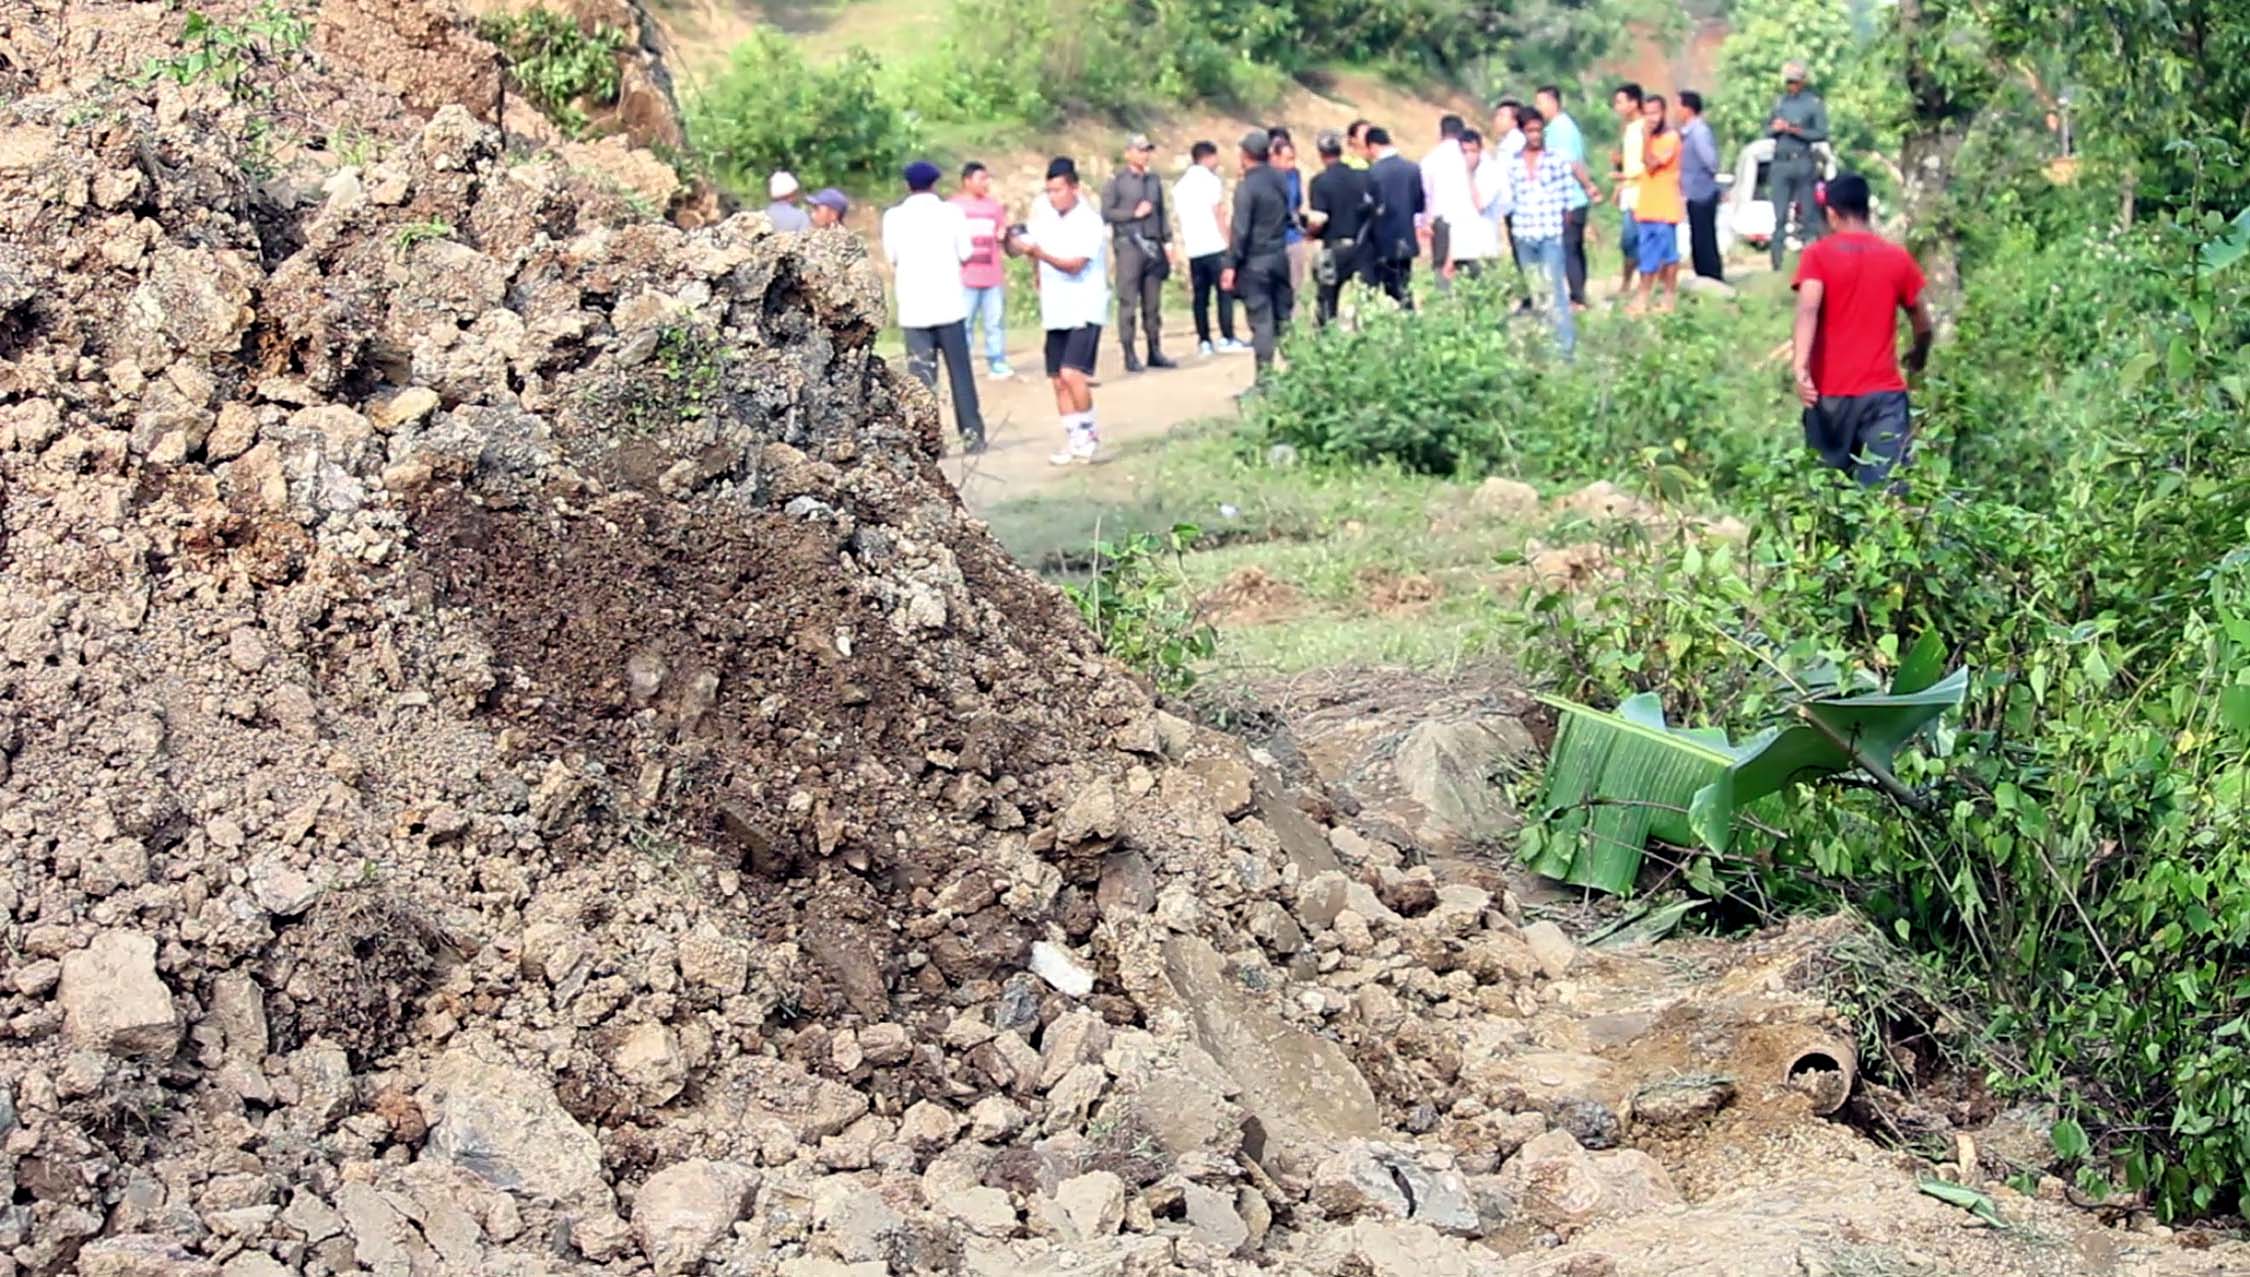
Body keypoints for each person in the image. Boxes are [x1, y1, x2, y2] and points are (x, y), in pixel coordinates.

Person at [1792, 174, 1934, 486]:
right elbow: (1922, 322)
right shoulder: (1898, 259)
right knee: (1886, 498)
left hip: (1828, 396)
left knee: (1825, 500)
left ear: (1831, 212)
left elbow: (1808, 308)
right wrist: (1918, 355)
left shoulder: (1817, 256)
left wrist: (1800, 366)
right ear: (1866, 208)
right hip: (1883, 397)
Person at [1009, 157, 1110, 465]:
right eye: (1049, 191)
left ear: (1074, 188)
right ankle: (1074, 438)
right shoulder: (1045, 218)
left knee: (1072, 373)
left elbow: (1075, 264)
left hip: (1084, 307)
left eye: (1058, 190)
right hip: (1055, 309)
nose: (1053, 197)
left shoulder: (1089, 222)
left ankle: (1089, 432)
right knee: (1056, 378)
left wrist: (1038, 254)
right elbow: (1018, 248)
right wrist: (1014, 242)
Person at [882, 161, 986, 453]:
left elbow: (892, 257)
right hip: (949, 304)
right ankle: (972, 435)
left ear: (907, 185)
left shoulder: (894, 217)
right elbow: (966, 253)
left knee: (922, 381)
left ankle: (929, 442)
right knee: (960, 375)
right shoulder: (951, 213)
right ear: (934, 184)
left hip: (915, 308)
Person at [1507, 108, 1602, 358]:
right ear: (1522, 132)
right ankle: (1544, 347)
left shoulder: (1555, 159)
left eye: (1539, 130)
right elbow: (1511, 198)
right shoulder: (1513, 162)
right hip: (1524, 234)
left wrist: (1565, 226)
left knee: (1556, 293)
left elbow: (1567, 201)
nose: (1535, 136)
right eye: (1530, 131)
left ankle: (1565, 351)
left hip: (1549, 234)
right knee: (1538, 293)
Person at [1221, 129, 1294, 380]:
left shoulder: (1247, 186)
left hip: (1255, 261)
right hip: (1279, 256)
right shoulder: (1280, 180)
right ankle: (1301, 374)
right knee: (1283, 319)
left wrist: (1230, 264)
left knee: (1262, 322)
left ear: (1245, 155)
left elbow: (1240, 230)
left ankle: (1265, 380)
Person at [1100, 133, 1175, 373]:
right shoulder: (1117, 181)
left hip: (1153, 246)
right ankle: (1129, 353)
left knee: (1153, 305)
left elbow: (1162, 212)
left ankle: (1155, 350)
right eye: (1140, 150)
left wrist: (1168, 242)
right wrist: (1133, 213)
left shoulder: (1154, 180)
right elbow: (1107, 213)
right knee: (1128, 302)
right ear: (1128, 153)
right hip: (1129, 246)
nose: (1145, 155)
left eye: (1147, 150)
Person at [1175, 140, 1248, 356]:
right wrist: (1228, 241)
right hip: (1214, 244)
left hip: (1194, 247)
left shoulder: (1180, 186)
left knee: (1200, 297)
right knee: (1224, 292)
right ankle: (1227, 336)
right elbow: (1219, 213)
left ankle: (1204, 340)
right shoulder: (1211, 181)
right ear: (1208, 157)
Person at [952, 161, 1015, 379]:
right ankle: (962, 365)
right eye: (981, 179)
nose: (986, 183)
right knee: (964, 323)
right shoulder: (954, 207)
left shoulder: (993, 207)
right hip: (965, 275)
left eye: (987, 178)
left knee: (994, 321)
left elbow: (1001, 233)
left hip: (991, 274)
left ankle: (996, 361)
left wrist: (1003, 234)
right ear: (967, 181)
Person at [1768, 60, 1831, 271]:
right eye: (1788, 82)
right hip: (1781, 162)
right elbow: (1767, 130)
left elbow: (1821, 133)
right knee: (1779, 216)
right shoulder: (1779, 103)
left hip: (1803, 161)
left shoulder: (1813, 103)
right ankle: (1777, 264)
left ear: (1802, 82)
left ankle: (1811, 262)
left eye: (1794, 82)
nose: (1791, 86)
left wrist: (1795, 130)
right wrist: (1776, 128)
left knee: (1808, 216)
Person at [1306, 128, 1372, 326]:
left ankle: (1328, 340)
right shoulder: (1361, 177)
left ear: (1321, 154)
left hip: (1334, 248)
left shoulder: (1320, 182)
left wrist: (1309, 233)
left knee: (1327, 298)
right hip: (1361, 246)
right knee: (1364, 300)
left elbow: (1319, 219)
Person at [1533, 86, 1591, 306]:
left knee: (1569, 249)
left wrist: (1588, 186)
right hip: (1574, 199)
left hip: (1570, 199)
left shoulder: (1560, 130)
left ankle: (1577, 297)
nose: (1539, 108)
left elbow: (1571, 163)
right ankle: (1579, 293)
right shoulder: (1562, 127)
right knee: (1574, 247)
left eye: (1540, 102)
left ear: (1552, 102)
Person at [1632, 95, 1684, 312]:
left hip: (1665, 207)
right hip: (1647, 206)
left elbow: (1652, 164)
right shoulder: (1648, 138)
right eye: (1647, 113)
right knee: (1646, 256)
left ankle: (1668, 298)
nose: (1651, 118)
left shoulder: (1671, 138)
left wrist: (1644, 138)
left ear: (1663, 113)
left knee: (1668, 256)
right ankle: (1643, 297)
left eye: (1655, 113)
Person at [1364, 126, 1424, 307]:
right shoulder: (1412, 168)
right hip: (1406, 238)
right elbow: (1419, 204)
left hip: (1382, 241)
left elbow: (1370, 207)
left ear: (1373, 146)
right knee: (1405, 288)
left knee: (1387, 291)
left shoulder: (1374, 172)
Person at [1442, 129, 1506, 284]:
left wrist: (1470, 175)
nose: (1468, 156)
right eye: (1464, 152)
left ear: (1480, 150)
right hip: (1462, 251)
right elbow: (1453, 220)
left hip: (1484, 249)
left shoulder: (1492, 172)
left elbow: (1480, 204)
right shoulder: (1455, 175)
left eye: (1473, 151)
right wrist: (1449, 257)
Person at [1677, 91, 1724, 282]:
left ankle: (1711, 276)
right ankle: (1703, 275)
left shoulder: (1699, 132)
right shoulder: (1688, 132)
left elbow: (1711, 161)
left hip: (1702, 192)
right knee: (1697, 236)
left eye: (1678, 106)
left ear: (1688, 108)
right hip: (1694, 192)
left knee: (1705, 237)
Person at [1419, 114, 1471, 282]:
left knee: (1441, 268)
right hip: (1469, 219)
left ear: (1441, 133)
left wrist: (1424, 222)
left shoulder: (1430, 159)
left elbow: (1425, 194)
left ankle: (1444, 305)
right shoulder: (1471, 157)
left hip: (1441, 222)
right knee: (1469, 266)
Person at [1611, 82, 1646, 296]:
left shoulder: (1645, 128)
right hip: (1629, 191)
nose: (1617, 107)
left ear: (1633, 103)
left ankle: (1643, 284)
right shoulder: (1628, 129)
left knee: (1639, 239)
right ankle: (1627, 283)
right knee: (1627, 242)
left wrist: (1625, 176)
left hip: (1643, 192)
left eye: (1620, 102)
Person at [1271, 131, 1310, 294]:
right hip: (1272, 240)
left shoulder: (1294, 175)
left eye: (1293, 159)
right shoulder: (1266, 177)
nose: (1291, 164)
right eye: (1288, 159)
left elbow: (1297, 202)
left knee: (1296, 287)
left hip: (1293, 237)